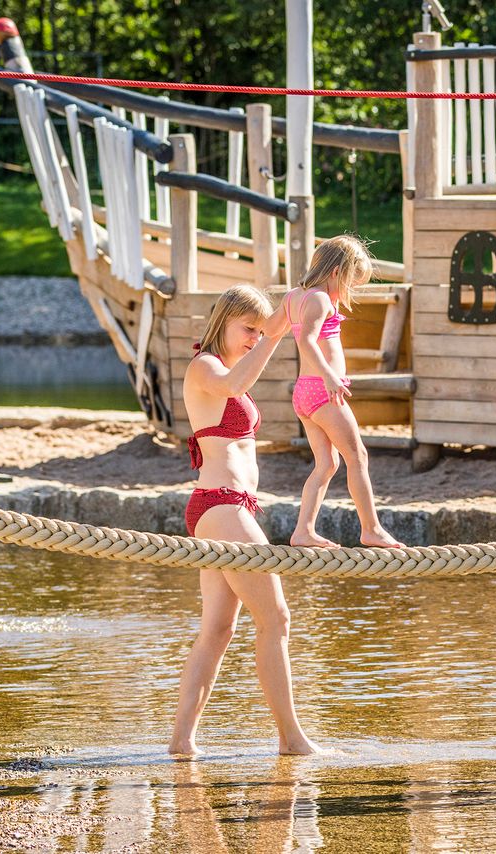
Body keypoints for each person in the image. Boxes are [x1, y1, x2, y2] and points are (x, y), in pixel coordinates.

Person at [171, 284, 319, 757]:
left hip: (228, 507)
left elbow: (240, 384)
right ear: (225, 321)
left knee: (218, 630)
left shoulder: (229, 368)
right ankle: (291, 740)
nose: (255, 338)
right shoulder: (205, 366)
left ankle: (180, 742)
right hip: (221, 505)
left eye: (259, 331)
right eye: (248, 329)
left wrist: (280, 326)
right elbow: (234, 386)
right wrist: (276, 335)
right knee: (275, 617)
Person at [282, 235, 402, 549]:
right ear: (336, 271)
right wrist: (330, 377)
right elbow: (307, 341)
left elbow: (271, 329)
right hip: (322, 391)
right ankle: (371, 529)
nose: (350, 290)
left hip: (304, 394)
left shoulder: (295, 296)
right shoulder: (320, 298)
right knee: (357, 456)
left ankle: (303, 531)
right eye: (351, 281)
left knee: (327, 464)